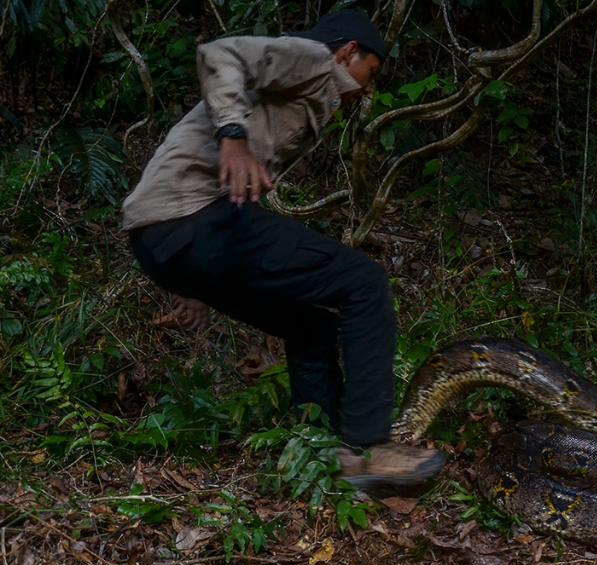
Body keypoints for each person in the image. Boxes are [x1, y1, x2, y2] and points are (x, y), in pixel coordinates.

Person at [122, 10, 444, 494]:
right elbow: (221, 53)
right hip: (192, 219)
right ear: (347, 53)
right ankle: (369, 449)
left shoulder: (307, 93)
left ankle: (323, 451)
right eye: (370, 73)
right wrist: (232, 137)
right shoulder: (311, 57)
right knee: (364, 282)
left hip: (162, 238)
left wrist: (194, 283)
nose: (367, 91)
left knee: (309, 324)